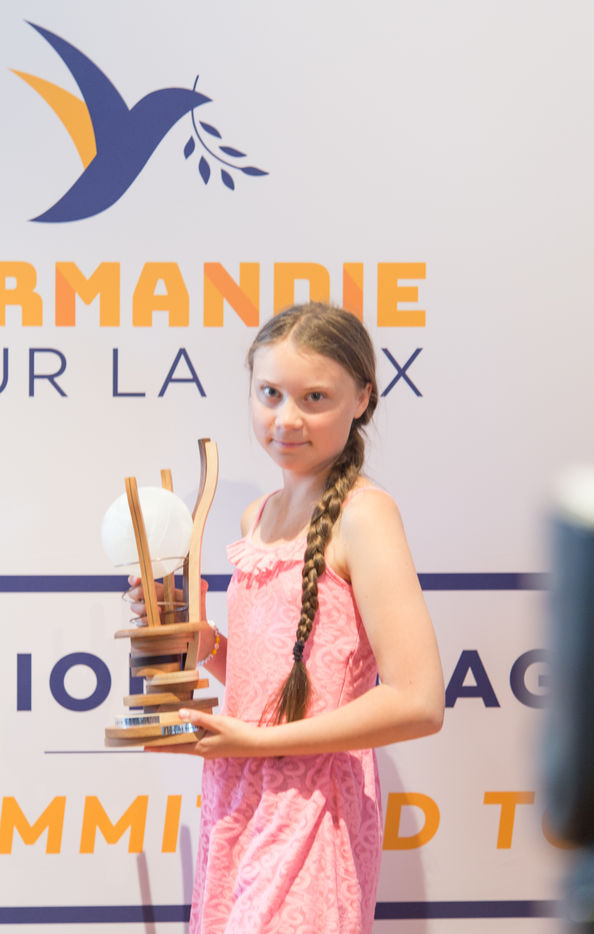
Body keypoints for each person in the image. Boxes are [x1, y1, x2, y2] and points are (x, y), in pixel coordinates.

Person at [127, 302, 444, 934]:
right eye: (269, 393)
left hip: (314, 808)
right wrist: (203, 643)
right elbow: (283, 677)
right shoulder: (260, 515)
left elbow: (418, 701)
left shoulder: (364, 515)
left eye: (314, 397)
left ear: (362, 399)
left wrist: (255, 743)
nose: (286, 419)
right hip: (237, 799)